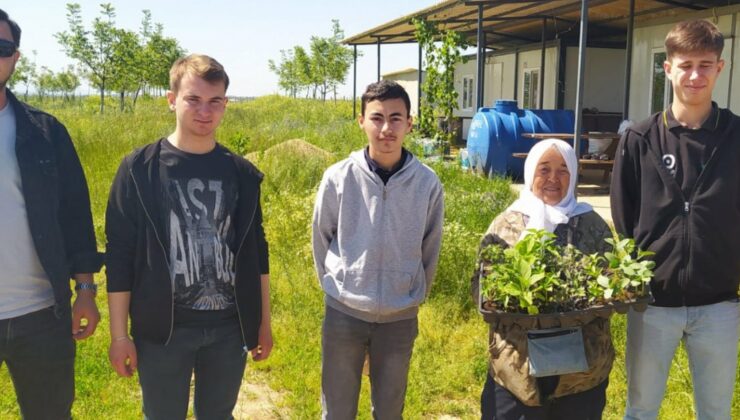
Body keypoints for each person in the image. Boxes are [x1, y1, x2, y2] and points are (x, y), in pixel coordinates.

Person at [105, 54, 272, 420]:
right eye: (193, 99)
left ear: (226, 104)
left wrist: (263, 322)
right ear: (171, 99)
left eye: (215, 102)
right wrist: (120, 335)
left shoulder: (242, 174)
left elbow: (257, 254)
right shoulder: (139, 170)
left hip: (229, 327)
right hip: (163, 329)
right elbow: (119, 256)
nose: (204, 111)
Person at [611, 19, 740, 420]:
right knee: (641, 408)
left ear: (720, 68)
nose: (695, 75)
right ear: (667, 69)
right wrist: (645, 276)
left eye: (705, 64)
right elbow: (624, 217)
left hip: (719, 303)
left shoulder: (736, 136)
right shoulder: (640, 138)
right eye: (685, 65)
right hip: (653, 305)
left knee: (716, 411)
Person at [312, 80, 444, 419]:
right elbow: (321, 237)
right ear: (361, 121)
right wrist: (339, 287)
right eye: (377, 118)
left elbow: (431, 245)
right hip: (344, 312)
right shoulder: (339, 178)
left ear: (410, 123)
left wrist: (411, 294)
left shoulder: (427, 183)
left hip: (400, 318)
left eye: (396, 118)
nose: (386, 128)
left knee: (389, 410)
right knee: (337, 410)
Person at [0, 8, 102, 419]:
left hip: (41, 314)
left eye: (2, 48)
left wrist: (86, 291)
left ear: (15, 58)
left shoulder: (45, 133)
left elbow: (75, 216)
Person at [473, 139, 614, 420]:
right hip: (517, 369)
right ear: (530, 173)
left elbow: (614, 282)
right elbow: (479, 286)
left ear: (573, 175)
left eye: (563, 170)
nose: (553, 178)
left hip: (581, 375)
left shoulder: (592, 224)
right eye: (544, 169)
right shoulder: (506, 224)